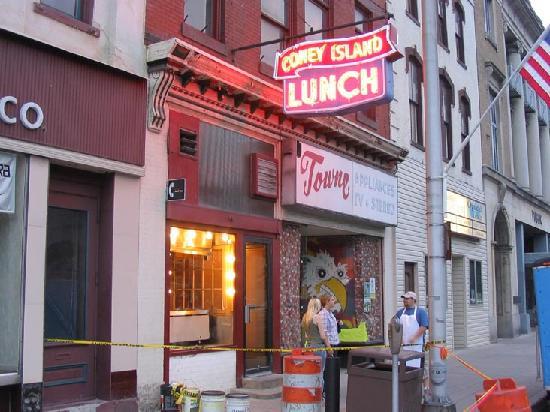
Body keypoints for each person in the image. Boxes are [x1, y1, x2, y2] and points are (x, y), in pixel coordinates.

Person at [395, 291, 429, 368]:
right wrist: (399, 339)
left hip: (417, 347)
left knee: (419, 369)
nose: (404, 300)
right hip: (403, 347)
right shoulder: (400, 313)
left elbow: (423, 327)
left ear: (413, 300)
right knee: (403, 368)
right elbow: (395, 326)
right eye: (404, 299)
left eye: (407, 299)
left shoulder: (421, 312)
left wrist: (414, 337)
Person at [301, 298, 332, 380]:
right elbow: (322, 336)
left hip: (308, 348)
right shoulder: (318, 317)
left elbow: (305, 336)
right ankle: (320, 392)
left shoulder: (305, 317)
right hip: (318, 348)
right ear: (318, 306)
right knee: (319, 373)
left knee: (310, 373)